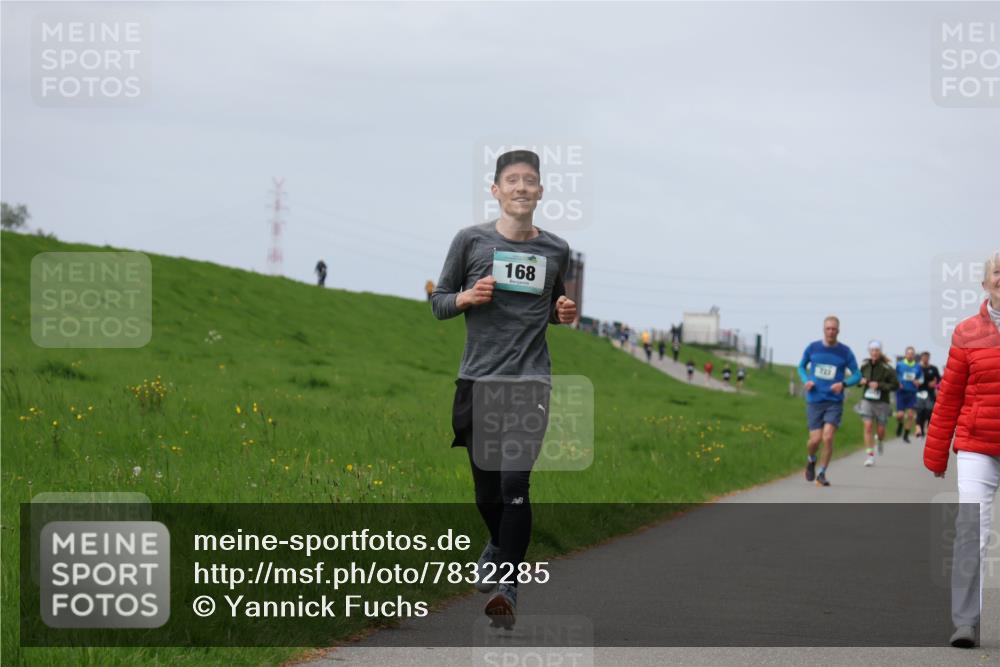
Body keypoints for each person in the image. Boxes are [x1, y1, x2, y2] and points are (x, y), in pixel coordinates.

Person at [431, 150, 576, 630]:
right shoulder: (469, 240)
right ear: (496, 191)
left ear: (540, 193)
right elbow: (438, 302)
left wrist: (566, 314)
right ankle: (496, 545)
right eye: (511, 180)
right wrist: (467, 297)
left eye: (529, 181)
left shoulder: (557, 250)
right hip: (478, 379)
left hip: (530, 380)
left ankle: (507, 586)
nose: (520, 187)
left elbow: (556, 308)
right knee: (486, 489)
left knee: (515, 482)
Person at [924, 250, 1000, 649]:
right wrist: (936, 453)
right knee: (973, 530)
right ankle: (966, 623)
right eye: (998, 272)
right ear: (985, 282)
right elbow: (949, 394)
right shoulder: (968, 332)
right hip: (978, 445)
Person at [797, 315, 861, 487]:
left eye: (834, 329)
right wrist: (806, 380)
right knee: (815, 440)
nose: (831, 331)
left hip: (834, 401)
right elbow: (801, 366)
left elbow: (857, 374)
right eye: (828, 328)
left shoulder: (845, 352)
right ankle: (811, 460)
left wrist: (844, 384)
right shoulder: (813, 348)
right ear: (823, 330)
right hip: (815, 400)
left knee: (828, 437)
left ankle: (822, 473)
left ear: (838, 331)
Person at [856, 340, 899, 466]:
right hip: (867, 401)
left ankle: (880, 441)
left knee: (880, 430)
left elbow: (895, 385)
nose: (874, 352)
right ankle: (870, 455)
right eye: (872, 350)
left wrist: (879, 385)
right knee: (868, 426)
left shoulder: (887, 368)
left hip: (882, 402)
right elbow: (857, 379)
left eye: (877, 350)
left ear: (880, 352)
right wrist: (861, 381)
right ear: (869, 351)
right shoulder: (864, 365)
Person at [895, 346, 923, 443]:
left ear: (914, 355)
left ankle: (906, 435)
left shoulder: (918, 366)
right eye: (908, 353)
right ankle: (900, 424)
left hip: (912, 393)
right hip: (901, 393)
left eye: (912, 353)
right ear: (905, 354)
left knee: (910, 415)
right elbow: (894, 376)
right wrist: (897, 383)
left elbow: (921, 378)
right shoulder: (899, 365)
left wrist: (918, 382)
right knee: (900, 415)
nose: (910, 355)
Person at [915, 351, 941, 438]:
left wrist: (935, 384)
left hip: (930, 393)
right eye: (924, 357)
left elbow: (939, 380)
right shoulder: (917, 368)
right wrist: (916, 382)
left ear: (929, 358)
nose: (925, 359)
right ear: (921, 358)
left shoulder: (933, 368)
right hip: (920, 392)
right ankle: (920, 429)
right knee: (920, 411)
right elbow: (913, 379)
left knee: (929, 411)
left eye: (927, 357)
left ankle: (928, 427)